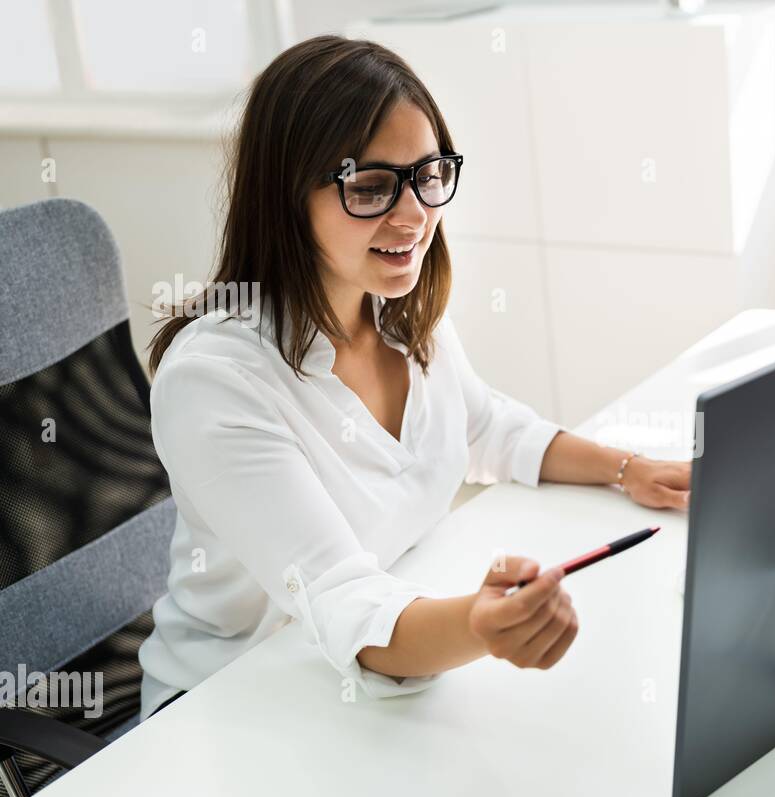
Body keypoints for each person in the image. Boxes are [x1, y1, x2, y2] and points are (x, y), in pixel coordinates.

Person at [138, 36, 691, 720]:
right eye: (370, 187)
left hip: (362, 683)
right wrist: (481, 628)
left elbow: (486, 425)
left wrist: (630, 469)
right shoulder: (215, 383)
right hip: (232, 708)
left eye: (427, 176)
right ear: (286, 196)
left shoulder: (393, 306)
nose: (413, 216)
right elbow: (342, 598)